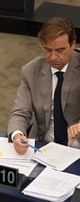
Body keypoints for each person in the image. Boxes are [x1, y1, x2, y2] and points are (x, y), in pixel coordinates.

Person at [8, 17, 80, 153]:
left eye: (60, 50)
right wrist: (17, 134)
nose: (52, 57)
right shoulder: (30, 70)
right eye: (47, 50)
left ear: (73, 44)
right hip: (44, 145)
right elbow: (20, 112)